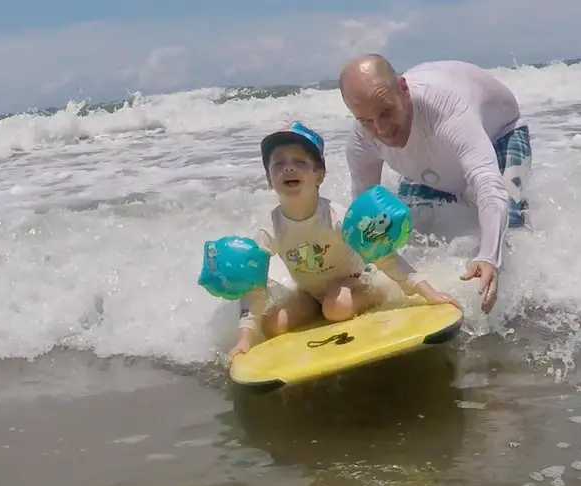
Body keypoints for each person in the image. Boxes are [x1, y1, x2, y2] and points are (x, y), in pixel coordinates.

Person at [197, 121, 462, 360]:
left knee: (337, 308)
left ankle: (375, 292)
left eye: (300, 162)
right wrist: (244, 340)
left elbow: (383, 256)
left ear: (319, 175)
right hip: (310, 293)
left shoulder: (337, 217)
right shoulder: (270, 228)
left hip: (354, 282)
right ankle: (319, 308)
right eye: (278, 163)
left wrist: (427, 293)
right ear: (269, 179)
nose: (288, 167)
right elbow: (253, 289)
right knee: (273, 325)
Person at [339, 54, 533, 314]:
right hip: (435, 153)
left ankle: (522, 310)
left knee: (509, 227)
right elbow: (365, 211)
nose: (381, 129)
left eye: (386, 112)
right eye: (366, 121)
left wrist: (488, 257)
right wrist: (360, 271)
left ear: (404, 90)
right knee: (416, 227)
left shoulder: (447, 109)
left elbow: (488, 183)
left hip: (501, 133)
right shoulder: (362, 139)